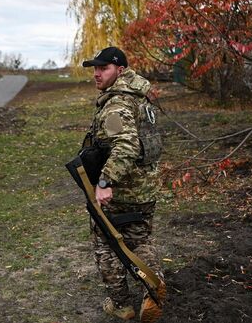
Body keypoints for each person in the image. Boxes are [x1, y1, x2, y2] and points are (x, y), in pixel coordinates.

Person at [80, 47, 165, 322]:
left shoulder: (117, 105)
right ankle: (154, 289)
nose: (96, 74)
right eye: (95, 68)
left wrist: (105, 181)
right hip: (145, 187)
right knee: (140, 239)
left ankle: (121, 304)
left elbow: (126, 145)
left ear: (121, 70)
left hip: (122, 189)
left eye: (103, 68)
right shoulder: (139, 97)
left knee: (105, 242)